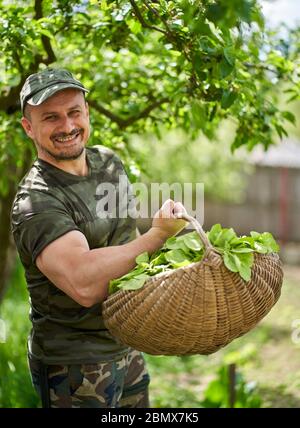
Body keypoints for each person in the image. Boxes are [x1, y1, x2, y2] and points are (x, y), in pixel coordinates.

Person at [11, 68, 187, 408]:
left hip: (127, 343)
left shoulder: (108, 163)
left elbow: (127, 241)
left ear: (87, 113)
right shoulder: (36, 201)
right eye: (51, 118)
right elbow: (84, 284)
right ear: (28, 127)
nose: (67, 126)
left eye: (74, 112)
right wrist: (158, 235)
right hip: (75, 365)